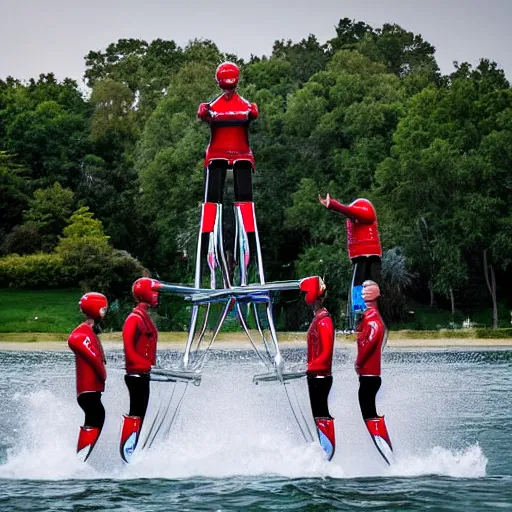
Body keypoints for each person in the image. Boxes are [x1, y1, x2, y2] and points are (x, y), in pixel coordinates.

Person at [196, 61, 260, 286]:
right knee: (216, 199)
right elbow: (245, 113)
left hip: (230, 155)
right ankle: (211, 242)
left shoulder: (229, 107)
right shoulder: (224, 107)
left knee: (236, 200)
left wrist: (206, 112)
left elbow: (208, 113)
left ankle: (246, 243)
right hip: (224, 155)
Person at [318, 194, 382, 332]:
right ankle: (359, 318)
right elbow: (352, 213)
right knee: (361, 286)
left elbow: (353, 212)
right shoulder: (356, 217)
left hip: (368, 255)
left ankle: (365, 316)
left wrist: (333, 205)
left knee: (363, 286)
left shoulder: (365, 213)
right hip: (362, 256)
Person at [119, 277, 160, 463]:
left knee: (142, 412)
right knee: (136, 411)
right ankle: (127, 451)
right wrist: (146, 365)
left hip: (144, 373)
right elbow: (129, 351)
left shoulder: (144, 317)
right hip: (136, 374)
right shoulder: (134, 319)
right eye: (154, 292)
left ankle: (134, 451)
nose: (157, 295)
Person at [68, 292, 108, 462]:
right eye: (103, 309)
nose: (105, 312)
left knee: (97, 416)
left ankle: (83, 456)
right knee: (97, 415)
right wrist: (102, 373)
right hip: (87, 390)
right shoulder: (81, 334)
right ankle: (80, 458)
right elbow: (75, 341)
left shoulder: (90, 332)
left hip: (93, 389)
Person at [355, 280, 393, 459]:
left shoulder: (373, 319)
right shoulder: (372, 318)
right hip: (370, 375)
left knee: (369, 412)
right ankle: (384, 450)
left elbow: (368, 343)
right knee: (368, 412)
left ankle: (386, 451)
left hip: (369, 376)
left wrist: (358, 362)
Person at [299, 276, 336, 461]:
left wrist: (311, 367)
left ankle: (327, 452)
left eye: (306, 293)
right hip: (315, 374)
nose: (304, 297)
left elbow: (327, 352)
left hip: (320, 375)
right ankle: (323, 450)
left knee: (321, 413)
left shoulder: (324, 321)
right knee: (317, 413)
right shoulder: (318, 318)